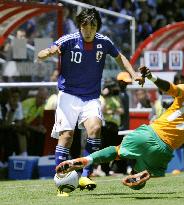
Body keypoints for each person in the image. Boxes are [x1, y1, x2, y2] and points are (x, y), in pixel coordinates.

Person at [56, 67, 184, 193]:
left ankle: (86, 160)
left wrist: (152, 77)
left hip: (149, 134)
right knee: (140, 183)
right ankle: (147, 173)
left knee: (117, 152)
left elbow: (169, 87)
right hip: (164, 150)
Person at [37, 8, 143, 193]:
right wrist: (48, 52)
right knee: (66, 137)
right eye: (85, 26)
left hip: (91, 96)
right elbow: (43, 53)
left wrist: (133, 74)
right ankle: (61, 182)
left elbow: (120, 57)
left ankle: (85, 175)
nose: (88, 30)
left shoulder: (104, 42)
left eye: (92, 26)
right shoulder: (68, 40)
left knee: (95, 129)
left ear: (97, 27)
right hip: (68, 95)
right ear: (80, 26)